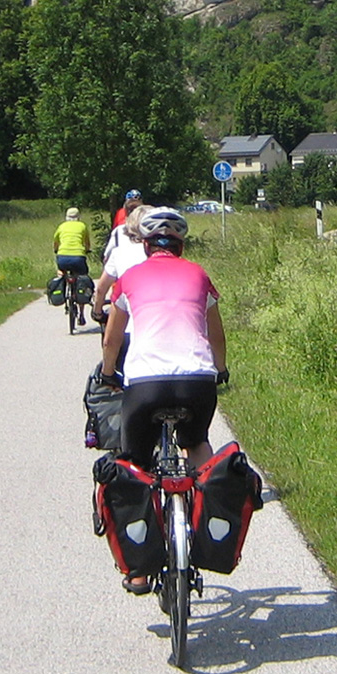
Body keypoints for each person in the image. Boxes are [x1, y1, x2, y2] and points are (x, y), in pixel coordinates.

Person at [101, 206, 227, 593]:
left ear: (144, 244)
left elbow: (111, 339)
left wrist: (109, 375)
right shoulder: (200, 275)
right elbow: (217, 336)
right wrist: (220, 371)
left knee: (135, 465)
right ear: (180, 244)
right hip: (196, 381)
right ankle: (209, 517)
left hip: (145, 385)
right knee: (197, 443)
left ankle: (138, 570)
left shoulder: (130, 277)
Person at [91, 204, 151, 350]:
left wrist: (97, 311)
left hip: (128, 331)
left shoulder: (119, 252)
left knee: (112, 358)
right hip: (162, 331)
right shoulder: (164, 255)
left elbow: (101, 288)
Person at [53, 207, 91, 326]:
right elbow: (86, 242)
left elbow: (56, 241)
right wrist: (87, 250)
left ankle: (64, 298)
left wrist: (56, 250)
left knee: (62, 273)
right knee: (82, 279)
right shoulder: (82, 226)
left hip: (62, 257)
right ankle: (81, 314)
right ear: (78, 217)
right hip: (78, 257)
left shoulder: (61, 226)